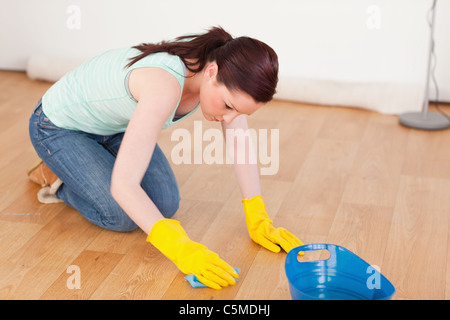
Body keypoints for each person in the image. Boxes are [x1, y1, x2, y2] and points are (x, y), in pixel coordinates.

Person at [28, 26, 304, 290]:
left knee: (164, 203)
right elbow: (124, 186)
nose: (229, 118)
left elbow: (239, 143)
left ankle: (91, 163)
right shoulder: (164, 86)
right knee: (120, 215)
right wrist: (180, 249)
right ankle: (56, 176)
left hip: (115, 127)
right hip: (57, 127)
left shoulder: (220, 57)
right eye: (229, 106)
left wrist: (257, 216)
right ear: (211, 72)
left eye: (240, 113)